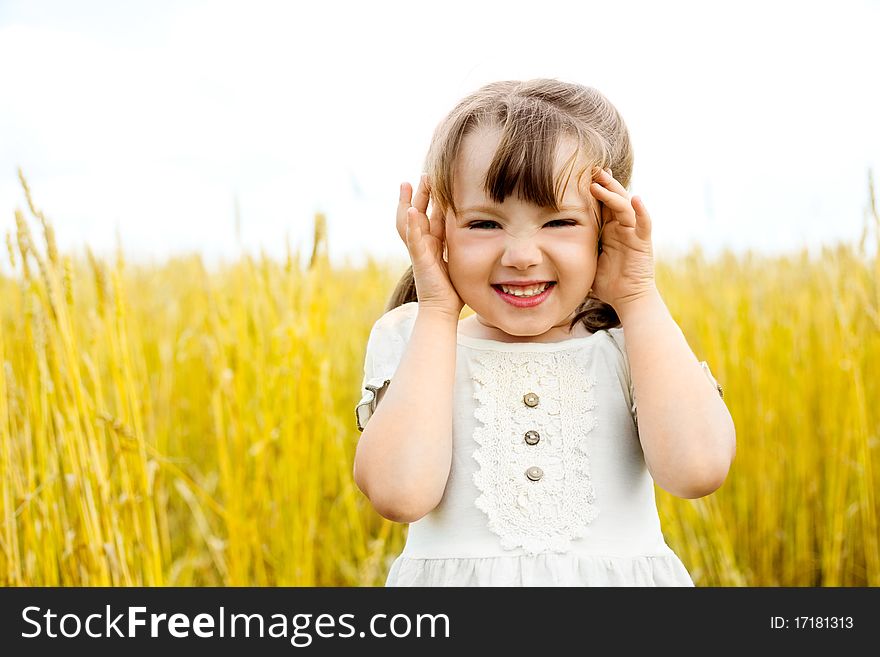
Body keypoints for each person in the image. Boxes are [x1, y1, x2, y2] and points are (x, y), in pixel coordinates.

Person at [352, 78, 736, 586]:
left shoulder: (631, 343)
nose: (521, 256)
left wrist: (638, 295)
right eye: (484, 224)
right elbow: (400, 494)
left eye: (559, 222)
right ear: (439, 228)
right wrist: (439, 310)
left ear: (606, 225)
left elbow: (699, 469)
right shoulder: (416, 339)